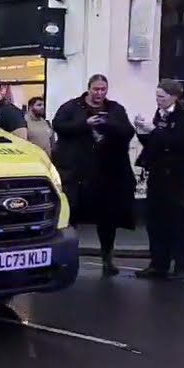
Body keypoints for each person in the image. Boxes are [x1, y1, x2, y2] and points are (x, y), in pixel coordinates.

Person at [51, 74, 136, 275]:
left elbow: (128, 131)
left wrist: (109, 124)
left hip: (105, 173)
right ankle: (67, 259)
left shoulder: (114, 108)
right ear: (89, 88)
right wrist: (85, 124)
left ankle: (107, 259)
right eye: (96, 89)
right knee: (71, 216)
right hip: (77, 173)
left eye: (103, 89)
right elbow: (59, 126)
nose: (99, 93)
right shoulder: (72, 107)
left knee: (107, 220)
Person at [133, 79, 184, 280]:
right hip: (158, 174)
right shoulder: (159, 115)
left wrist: (154, 131)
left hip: (177, 176)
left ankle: (183, 267)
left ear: (174, 97)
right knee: (155, 221)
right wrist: (142, 132)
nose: (158, 100)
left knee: (177, 222)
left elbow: (180, 142)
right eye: (157, 96)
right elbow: (157, 143)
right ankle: (158, 264)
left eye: (161, 97)